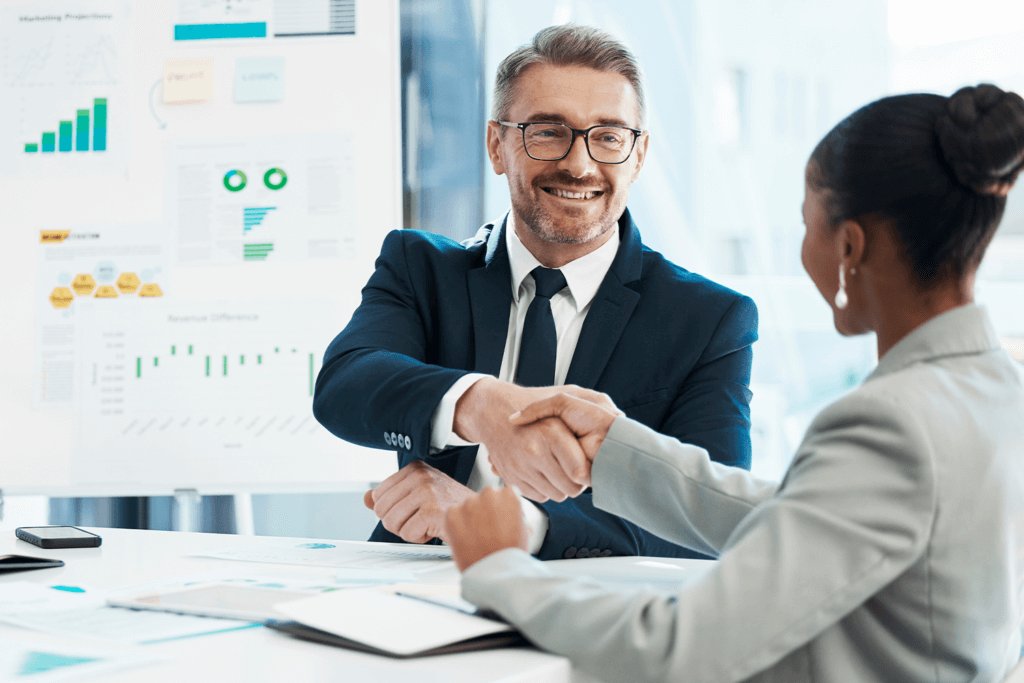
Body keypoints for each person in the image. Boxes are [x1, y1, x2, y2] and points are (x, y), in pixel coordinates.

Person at [444, 83, 1024, 682]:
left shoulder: (892, 423)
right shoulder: (998, 389)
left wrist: (500, 570)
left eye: (807, 225)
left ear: (851, 245)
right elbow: (811, 521)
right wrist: (617, 452)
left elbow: (676, 650)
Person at [311, 24, 758, 561]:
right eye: (548, 131)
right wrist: (485, 406)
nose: (580, 163)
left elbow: (712, 521)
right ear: (497, 146)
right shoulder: (421, 268)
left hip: (600, 613)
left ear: (638, 158)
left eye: (609, 137)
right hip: (419, 579)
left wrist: (516, 524)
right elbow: (345, 385)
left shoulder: (707, 318)